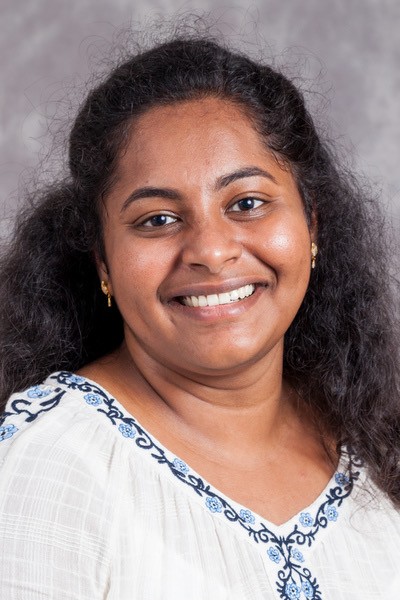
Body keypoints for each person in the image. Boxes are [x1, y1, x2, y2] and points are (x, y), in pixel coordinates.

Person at [0, 32, 399, 600]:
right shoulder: (53, 468)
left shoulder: (374, 443)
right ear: (103, 260)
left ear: (312, 224)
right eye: (158, 219)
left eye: (247, 203)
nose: (211, 252)